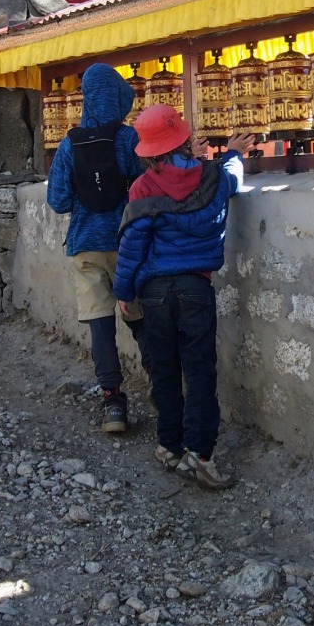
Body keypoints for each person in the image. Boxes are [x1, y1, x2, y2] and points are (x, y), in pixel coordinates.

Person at [115, 104, 253, 490]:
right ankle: (201, 456)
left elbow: (132, 247)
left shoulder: (142, 188)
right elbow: (233, 178)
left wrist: (124, 292)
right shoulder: (213, 178)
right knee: (199, 372)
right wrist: (235, 154)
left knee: (164, 369)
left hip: (155, 292)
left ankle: (169, 446)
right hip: (196, 289)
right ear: (184, 140)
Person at [45, 63, 144, 434]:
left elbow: (58, 200)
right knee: (138, 317)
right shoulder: (128, 139)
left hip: (85, 246)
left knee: (100, 326)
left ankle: (113, 404)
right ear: (118, 96)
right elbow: (145, 187)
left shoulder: (70, 143)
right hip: (126, 244)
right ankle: (161, 386)